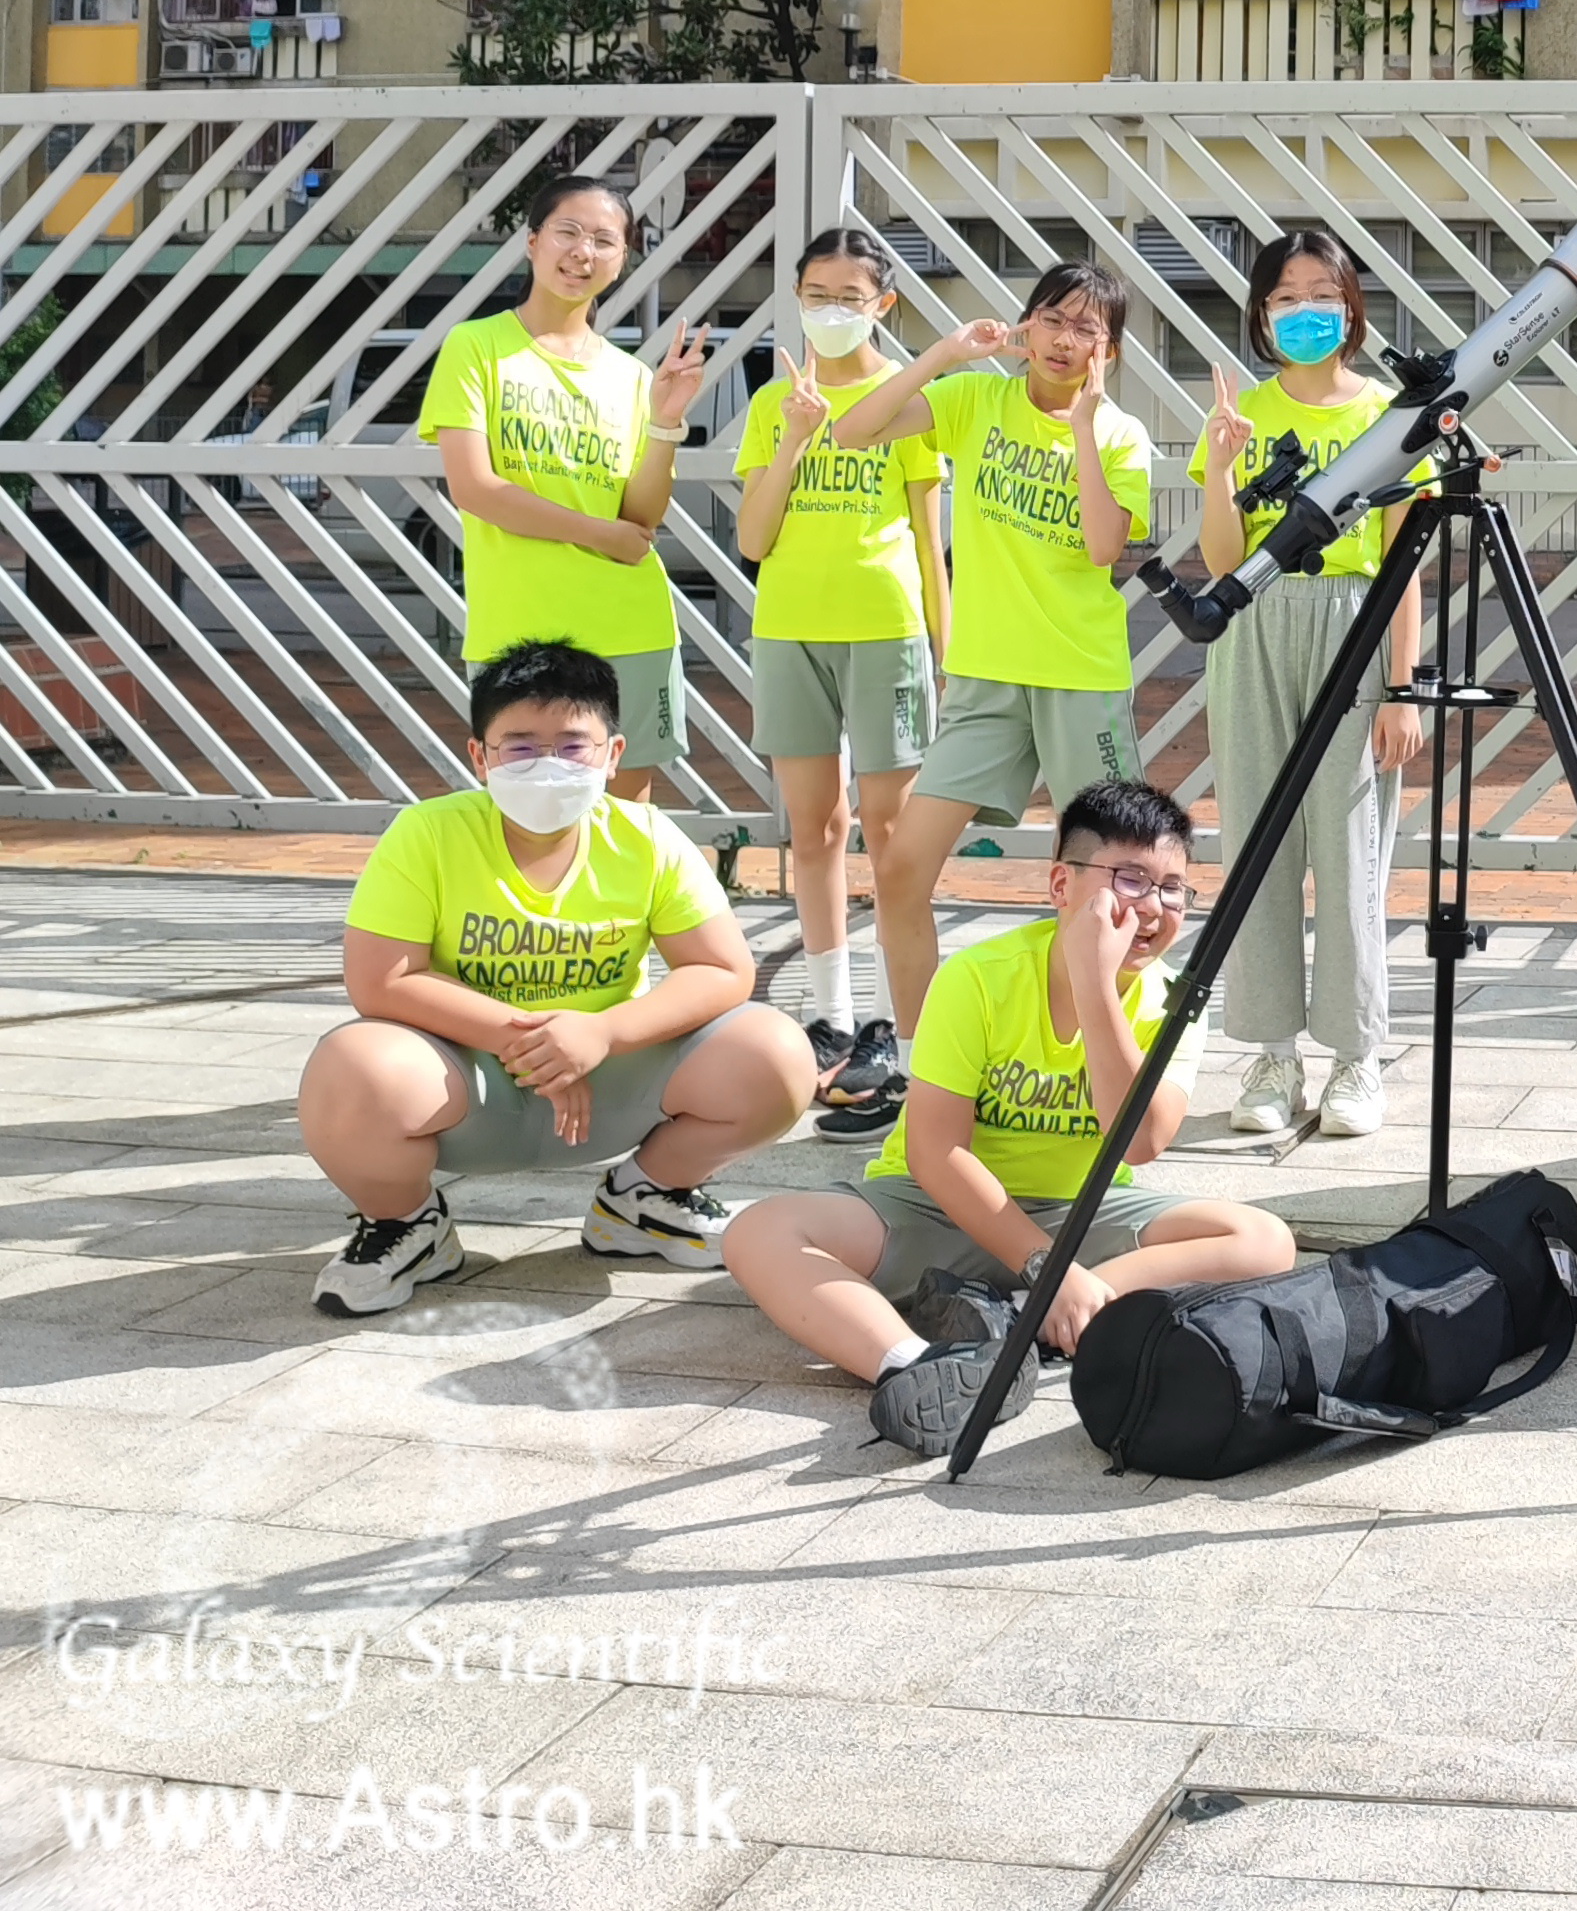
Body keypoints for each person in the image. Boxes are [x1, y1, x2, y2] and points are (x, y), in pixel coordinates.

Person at [719, 779, 1300, 1459]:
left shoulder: (1172, 998)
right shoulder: (977, 977)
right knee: (759, 1231)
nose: (1152, 907)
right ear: (1061, 884)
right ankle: (917, 1365)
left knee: (1263, 1240)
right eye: (1130, 879)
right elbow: (936, 1154)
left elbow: (1140, 1143)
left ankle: (1025, 1318)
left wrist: (1096, 987)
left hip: (1079, 1213)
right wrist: (1042, 1262)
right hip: (937, 1206)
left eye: (1173, 889)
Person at [301, 641, 814, 1316]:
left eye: (572, 746)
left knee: (775, 1052)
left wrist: (601, 1034)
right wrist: (534, 1040)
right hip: (467, 1088)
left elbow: (722, 969)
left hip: (607, 1089)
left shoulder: (648, 838)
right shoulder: (426, 834)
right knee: (351, 1066)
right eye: (519, 746)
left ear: (613, 753)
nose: (547, 765)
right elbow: (381, 981)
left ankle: (645, 1198)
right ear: (479, 756)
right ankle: (406, 1224)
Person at [825, 263, 1156, 1116]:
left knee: (1106, 880)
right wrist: (943, 353)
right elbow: (852, 431)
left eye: (1086, 329)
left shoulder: (1121, 435)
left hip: (1080, 677)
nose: (1064, 340)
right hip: (984, 679)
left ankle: (1098, 1070)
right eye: (1052, 319)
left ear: (1110, 351)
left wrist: (1085, 428)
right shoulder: (975, 399)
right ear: (1024, 326)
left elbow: (1102, 547)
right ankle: (921, 1068)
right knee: (901, 868)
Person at [1192, 228, 1427, 1145]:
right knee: (1257, 845)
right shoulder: (1243, 414)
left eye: (1322, 294)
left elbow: (1404, 565)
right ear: (1261, 313)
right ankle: (1271, 1053)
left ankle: (1356, 1053)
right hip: (1256, 629)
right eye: (1286, 297)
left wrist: (1401, 688)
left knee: (1351, 845)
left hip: (1353, 629)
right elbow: (1222, 561)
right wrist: (1220, 467)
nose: (1305, 312)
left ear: (1352, 306)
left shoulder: (1387, 417)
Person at [733, 224, 948, 1126]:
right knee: (815, 828)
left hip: (885, 630)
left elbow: (930, 540)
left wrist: (945, 647)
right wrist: (793, 438)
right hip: (790, 631)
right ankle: (831, 1014)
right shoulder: (772, 404)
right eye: (816, 295)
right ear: (797, 299)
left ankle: (899, 1030)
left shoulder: (905, 404)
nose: (831, 311)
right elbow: (753, 540)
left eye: (848, 297)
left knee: (892, 835)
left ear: (881, 304)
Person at [419, 175, 711, 800]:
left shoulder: (632, 376)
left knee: (622, 824)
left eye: (604, 240)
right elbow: (476, 489)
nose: (583, 252)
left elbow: (640, 516)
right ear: (533, 242)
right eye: (568, 232)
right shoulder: (477, 348)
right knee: (526, 812)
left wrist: (665, 421)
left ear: (621, 259)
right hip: (518, 629)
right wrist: (597, 534)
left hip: (629, 627)